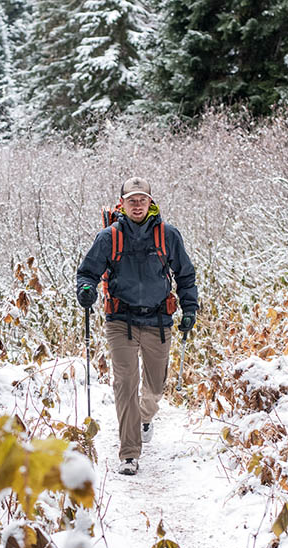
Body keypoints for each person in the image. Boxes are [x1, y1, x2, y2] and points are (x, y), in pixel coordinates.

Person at [76, 177, 198, 475]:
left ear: (150, 201)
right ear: (123, 204)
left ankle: (144, 417)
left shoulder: (168, 235)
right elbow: (87, 272)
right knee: (125, 384)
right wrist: (86, 290)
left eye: (142, 199)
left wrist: (190, 306)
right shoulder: (109, 237)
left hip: (158, 320)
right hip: (121, 321)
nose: (138, 204)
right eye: (132, 199)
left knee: (156, 386)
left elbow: (185, 275)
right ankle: (129, 453)